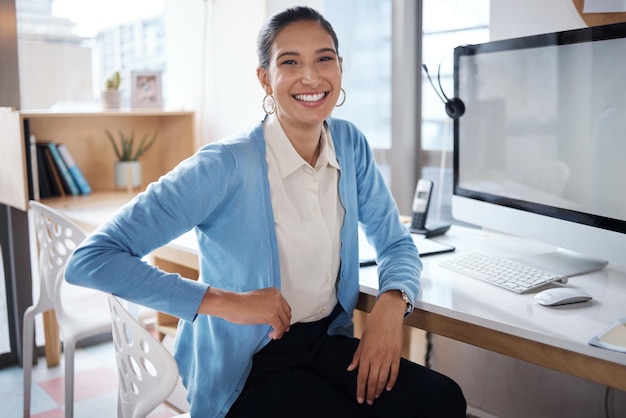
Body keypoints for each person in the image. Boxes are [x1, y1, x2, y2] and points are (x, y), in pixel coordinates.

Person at [65, 6, 466, 417]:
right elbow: (91, 259)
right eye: (290, 62)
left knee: (442, 399)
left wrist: (390, 306)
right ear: (265, 78)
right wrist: (225, 301)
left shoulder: (349, 143)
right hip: (246, 366)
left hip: (324, 340)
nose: (311, 77)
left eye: (324, 59)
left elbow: (396, 242)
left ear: (340, 68)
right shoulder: (224, 165)